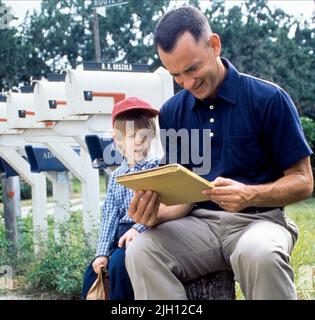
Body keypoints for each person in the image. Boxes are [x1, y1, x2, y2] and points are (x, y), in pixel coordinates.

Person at [125, 6, 314, 300]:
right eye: (176, 75)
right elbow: (183, 198)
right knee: (141, 251)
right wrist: (153, 215)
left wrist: (251, 194)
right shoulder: (172, 112)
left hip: (260, 221)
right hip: (198, 225)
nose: (187, 84)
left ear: (214, 45)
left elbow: (304, 181)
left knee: (260, 253)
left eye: (192, 69)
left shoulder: (268, 99)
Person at [82, 97, 192, 300]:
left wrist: (137, 229)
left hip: (147, 230)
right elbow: (109, 217)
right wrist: (101, 252)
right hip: (119, 235)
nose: (140, 142)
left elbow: (159, 209)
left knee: (119, 266)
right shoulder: (116, 177)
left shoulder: (156, 170)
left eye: (145, 136)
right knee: (93, 271)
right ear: (118, 140)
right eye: (133, 136)